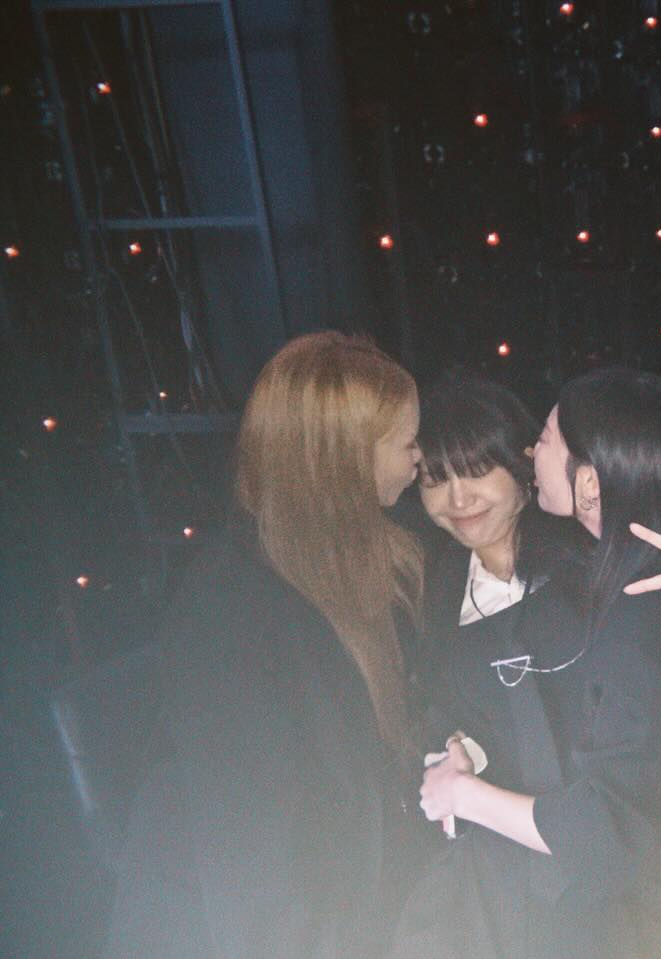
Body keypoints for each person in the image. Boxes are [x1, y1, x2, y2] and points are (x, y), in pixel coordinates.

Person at [412, 368, 661, 959]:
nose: (459, 498)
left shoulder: (622, 575)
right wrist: (457, 748)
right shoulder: (427, 592)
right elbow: (433, 711)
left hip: (646, 898)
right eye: (435, 479)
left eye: (477, 469)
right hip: (528, 891)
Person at [102, 331, 435, 958]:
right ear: (344, 460)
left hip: (345, 889)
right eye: (407, 443)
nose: (420, 459)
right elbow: (256, 874)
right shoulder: (228, 619)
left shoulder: (362, 553)